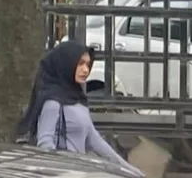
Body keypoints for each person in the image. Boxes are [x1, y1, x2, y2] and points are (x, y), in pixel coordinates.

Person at [16, 41, 137, 171]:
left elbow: (95, 141)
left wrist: (128, 169)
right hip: (62, 176)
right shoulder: (53, 102)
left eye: (88, 64)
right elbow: (45, 145)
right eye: (80, 64)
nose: (86, 70)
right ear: (66, 65)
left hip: (77, 173)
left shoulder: (78, 100)